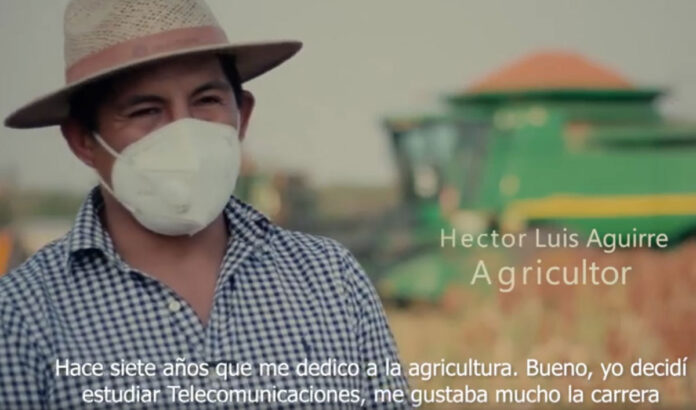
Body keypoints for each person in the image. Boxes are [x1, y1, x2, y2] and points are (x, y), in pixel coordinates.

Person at [0, 1, 410, 408]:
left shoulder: (331, 280)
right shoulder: (21, 318)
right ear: (82, 140)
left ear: (242, 114)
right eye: (146, 110)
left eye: (207, 100)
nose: (184, 132)